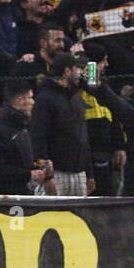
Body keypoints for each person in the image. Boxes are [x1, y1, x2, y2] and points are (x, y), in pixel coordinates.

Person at [29, 52, 93, 196]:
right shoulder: (45, 99)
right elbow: (38, 140)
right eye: (77, 69)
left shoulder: (76, 98)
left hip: (79, 174)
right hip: (56, 174)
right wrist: (47, 176)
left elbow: (83, 138)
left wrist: (89, 173)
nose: (81, 73)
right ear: (67, 71)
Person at [0, 76, 54, 195]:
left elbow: (21, 160)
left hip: (25, 194)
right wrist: (29, 175)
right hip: (4, 199)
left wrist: (39, 165)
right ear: (20, 100)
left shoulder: (23, 126)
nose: (33, 102)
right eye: (30, 98)